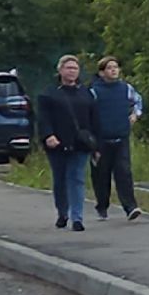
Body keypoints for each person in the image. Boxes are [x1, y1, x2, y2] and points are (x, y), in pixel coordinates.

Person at [36, 54, 97, 231]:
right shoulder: (49, 94)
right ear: (60, 70)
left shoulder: (86, 93)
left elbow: (94, 119)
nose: (72, 71)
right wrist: (48, 135)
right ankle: (62, 212)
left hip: (80, 144)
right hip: (58, 144)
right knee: (60, 179)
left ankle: (77, 218)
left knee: (77, 179)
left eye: (75, 68)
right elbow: (43, 118)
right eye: (69, 68)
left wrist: (96, 145)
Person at [89, 55, 144, 221]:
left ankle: (130, 207)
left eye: (115, 67)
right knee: (101, 175)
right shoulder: (94, 91)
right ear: (101, 72)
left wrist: (135, 114)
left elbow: (138, 101)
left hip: (121, 138)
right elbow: (86, 112)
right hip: (101, 140)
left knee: (124, 173)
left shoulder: (125, 88)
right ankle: (102, 205)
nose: (113, 70)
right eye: (109, 68)